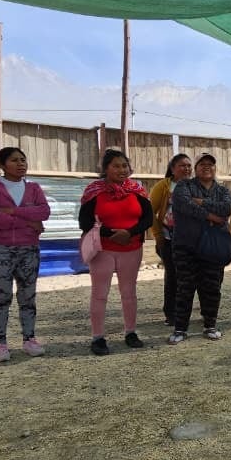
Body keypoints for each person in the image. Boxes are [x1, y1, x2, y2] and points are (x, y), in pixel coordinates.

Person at [0, 147, 52, 362]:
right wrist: (29, 222)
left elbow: (44, 212)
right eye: (14, 160)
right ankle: (0, 343)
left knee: (28, 296)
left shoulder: (34, 188)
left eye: (23, 159)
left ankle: (29, 339)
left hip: (29, 249)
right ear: (2, 165)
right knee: (2, 296)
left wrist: (14, 211)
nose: (21, 164)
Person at [79, 149, 152, 355]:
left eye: (124, 166)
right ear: (106, 169)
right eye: (116, 166)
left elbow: (148, 219)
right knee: (100, 294)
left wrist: (129, 233)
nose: (122, 170)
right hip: (103, 249)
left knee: (129, 293)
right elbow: (84, 222)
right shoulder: (94, 191)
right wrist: (113, 234)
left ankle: (130, 332)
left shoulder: (137, 190)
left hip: (131, 248)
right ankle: (98, 337)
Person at [169, 153, 231, 343]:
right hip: (186, 246)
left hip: (213, 246)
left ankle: (210, 325)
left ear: (215, 168)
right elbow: (185, 205)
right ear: (195, 168)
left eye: (210, 164)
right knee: (185, 287)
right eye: (202, 164)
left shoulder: (223, 190)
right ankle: (180, 329)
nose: (206, 167)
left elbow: (226, 208)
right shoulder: (184, 186)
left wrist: (202, 202)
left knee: (212, 287)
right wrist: (211, 216)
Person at [148, 153, 191, 325]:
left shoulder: (195, 186)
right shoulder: (163, 186)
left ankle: (185, 311)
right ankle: (171, 314)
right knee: (173, 276)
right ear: (172, 169)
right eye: (182, 165)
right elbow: (150, 211)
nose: (186, 168)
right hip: (168, 239)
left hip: (190, 240)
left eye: (189, 165)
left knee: (189, 277)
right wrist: (158, 235)